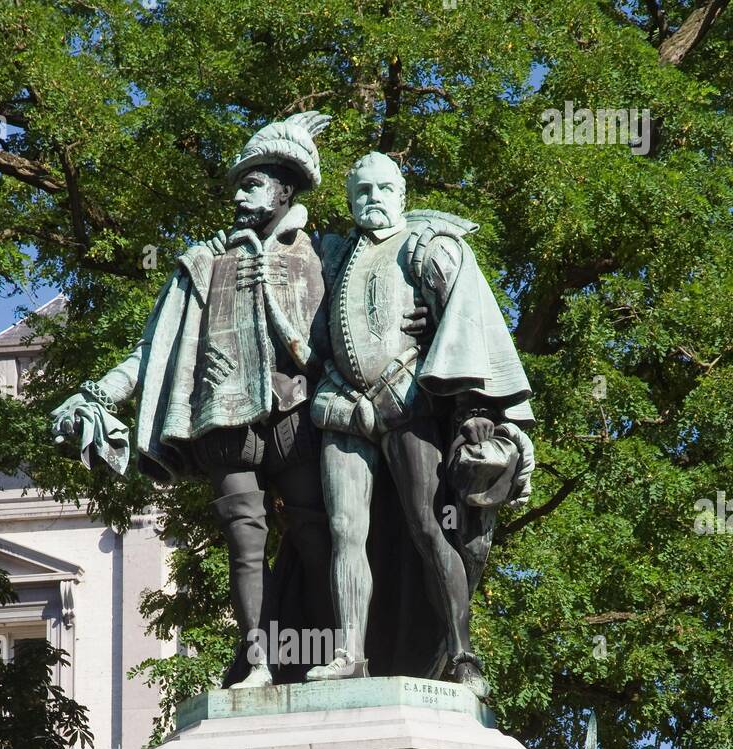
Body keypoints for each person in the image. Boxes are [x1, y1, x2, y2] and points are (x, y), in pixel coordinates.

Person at [51, 113, 334, 688]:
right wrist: (100, 393)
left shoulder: (324, 254)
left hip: (298, 414)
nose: (238, 193)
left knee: (318, 535)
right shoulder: (203, 263)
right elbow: (153, 351)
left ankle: (334, 656)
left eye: (252, 183)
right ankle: (257, 660)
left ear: (285, 188)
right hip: (226, 420)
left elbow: (354, 333)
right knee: (244, 543)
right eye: (238, 183)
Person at [306, 152, 535, 694]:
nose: (373, 199)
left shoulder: (430, 245)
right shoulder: (334, 256)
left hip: (406, 398)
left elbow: (466, 324)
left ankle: (462, 654)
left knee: (430, 526)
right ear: (348, 199)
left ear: (402, 192)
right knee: (344, 531)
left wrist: (474, 410)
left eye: (384, 188)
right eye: (361, 191)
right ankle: (348, 654)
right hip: (341, 404)